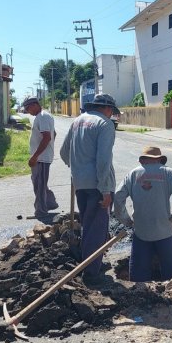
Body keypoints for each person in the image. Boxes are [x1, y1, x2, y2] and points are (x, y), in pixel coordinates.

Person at [59, 93, 119, 282]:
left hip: (80, 183)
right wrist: (106, 189)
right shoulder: (105, 124)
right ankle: (92, 273)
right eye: (112, 111)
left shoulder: (77, 121)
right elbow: (103, 160)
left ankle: (89, 263)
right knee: (97, 229)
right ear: (108, 108)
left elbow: (63, 152)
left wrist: (77, 168)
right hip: (97, 186)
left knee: (88, 225)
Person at [114, 147, 172, 282]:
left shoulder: (133, 174)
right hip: (165, 231)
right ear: (160, 159)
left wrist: (126, 220)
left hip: (141, 231)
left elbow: (118, 197)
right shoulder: (168, 173)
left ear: (142, 160)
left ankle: (140, 297)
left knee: (138, 278)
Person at [24, 97, 58, 219]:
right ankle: (50, 204)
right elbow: (53, 134)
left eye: (28, 108)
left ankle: (41, 212)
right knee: (39, 183)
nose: (28, 111)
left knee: (40, 185)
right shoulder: (41, 116)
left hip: (41, 158)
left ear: (35, 105)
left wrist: (35, 156)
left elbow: (47, 137)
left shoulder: (43, 116)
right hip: (41, 157)